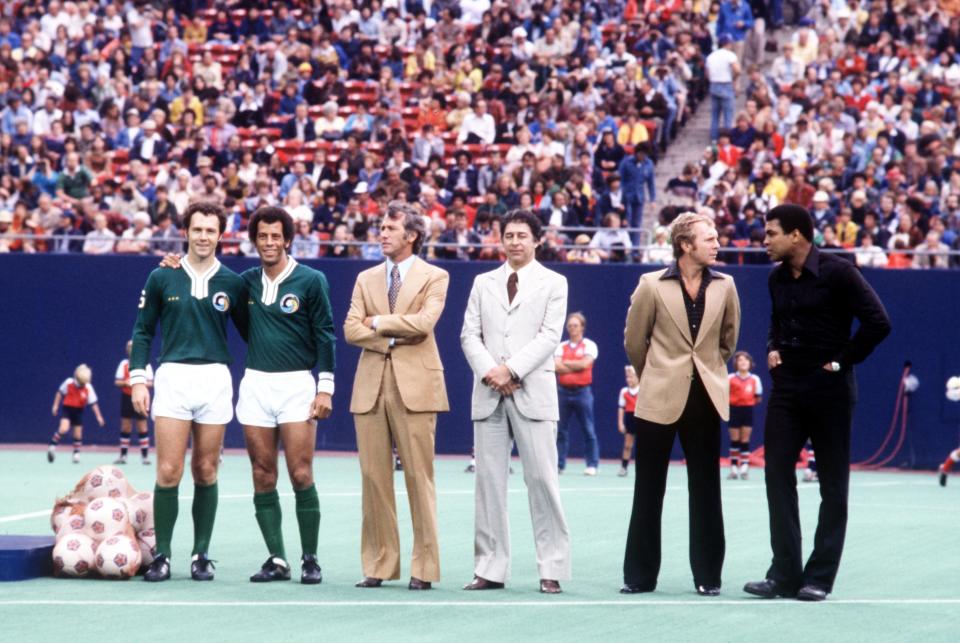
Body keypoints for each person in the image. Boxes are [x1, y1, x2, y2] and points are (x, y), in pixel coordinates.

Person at [744, 204, 890, 602]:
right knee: (776, 475)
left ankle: (819, 577)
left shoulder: (839, 272)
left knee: (832, 487)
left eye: (771, 232)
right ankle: (784, 574)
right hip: (787, 388)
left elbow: (879, 322)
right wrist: (772, 347)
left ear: (797, 235)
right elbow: (776, 322)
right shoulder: (776, 279)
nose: (765, 240)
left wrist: (841, 361)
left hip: (830, 389)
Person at [621, 212, 741, 596]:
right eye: (709, 238)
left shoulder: (726, 286)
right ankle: (640, 577)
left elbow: (728, 341)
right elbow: (634, 341)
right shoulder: (651, 284)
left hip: (705, 398)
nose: (717, 243)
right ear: (685, 245)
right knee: (648, 489)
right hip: (658, 397)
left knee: (707, 489)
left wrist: (706, 371)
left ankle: (708, 577)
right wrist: (656, 372)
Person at [129, 201, 247, 583]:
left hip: (214, 379)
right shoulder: (162, 276)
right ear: (186, 232)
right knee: (168, 470)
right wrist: (137, 379)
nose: (203, 236)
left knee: (206, 469)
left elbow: (253, 331)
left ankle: (201, 554)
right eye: (197, 229)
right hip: (173, 378)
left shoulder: (233, 281)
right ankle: (162, 554)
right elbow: (143, 330)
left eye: (210, 230)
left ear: (220, 235)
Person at [461, 209, 571, 595]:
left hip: (532, 392)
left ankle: (552, 568)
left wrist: (511, 370)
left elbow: (549, 336)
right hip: (489, 392)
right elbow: (468, 335)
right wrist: (493, 371)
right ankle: (490, 568)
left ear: (537, 240)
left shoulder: (554, 282)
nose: (515, 242)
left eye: (522, 235)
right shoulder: (482, 282)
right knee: (488, 484)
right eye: (509, 235)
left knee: (542, 480)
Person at [343, 201, 449, 591]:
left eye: (390, 228)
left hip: (417, 387)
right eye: (381, 227)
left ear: (412, 236)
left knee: (420, 479)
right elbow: (351, 329)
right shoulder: (364, 278)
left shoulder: (435, 276)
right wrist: (390, 333)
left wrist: (377, 324)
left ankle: (424, 568)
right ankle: (379, 564)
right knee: (373, 478)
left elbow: (425, 324)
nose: (382, 233)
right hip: (370, 386)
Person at [233, 207, 335, 585]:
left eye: (276, 236)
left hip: (297, 386)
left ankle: (310, 558)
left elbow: (325, 333)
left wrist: (326, 386)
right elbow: (208, 281)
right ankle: (277, 558)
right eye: (263, 236)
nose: (270, 242)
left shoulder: (311, 280)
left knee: (300, 472)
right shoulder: (244, 282)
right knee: (262, 473)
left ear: (288, 239)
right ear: (254, 240)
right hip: (256, 384)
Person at [554, 312, 600, 476]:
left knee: (588, 429)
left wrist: (566, 364)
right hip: (563, 392)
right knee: (560, 430)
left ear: (582, 327)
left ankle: (592, 464)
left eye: (575, 325)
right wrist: (577, 365)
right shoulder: (561, 346)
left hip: (582, 392)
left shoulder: (589, 345)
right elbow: (556, 367)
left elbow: (586, 363)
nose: (572, 328)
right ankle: (559, 464)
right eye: (570, 325)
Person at [47, 364, 105, 464]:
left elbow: (93, 403)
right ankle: (52, 446)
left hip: (78, 411)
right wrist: (55, 406)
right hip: (67, 409)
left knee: (78, 434)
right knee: (63, 429)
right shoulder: (68, 383)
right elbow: (59, 393)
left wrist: (99, 416)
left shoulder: (88, 387)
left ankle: (76, 454)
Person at [114, 340, 153, 465]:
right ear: (127, 350)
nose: (132, 349)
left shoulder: (146, 365)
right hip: (126, 398)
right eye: (130, 347)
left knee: (142, 426)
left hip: (141, 397)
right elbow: (117, 381)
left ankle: (145, 457)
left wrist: (138, 383)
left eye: (134, 347)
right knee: (126, 426)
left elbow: (151, 382)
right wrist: (125, 383)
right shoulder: (124, 364)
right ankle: (123, 456)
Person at [727, 351, 762, 480]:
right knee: (735, 440)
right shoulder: (730, 378)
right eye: (740, 360)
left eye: (745, 360)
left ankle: (745, 467)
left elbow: (758, 398)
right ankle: (734, 467)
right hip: (734, 410)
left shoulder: (755, 379)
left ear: (750, 363)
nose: (743, 363)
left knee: (745, 440)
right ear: (736, 363)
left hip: (747, 411)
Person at [705, 34, 740, 142]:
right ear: (728, 43)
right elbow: (738, 70)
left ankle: (714, 138)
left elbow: (707, 73)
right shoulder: (730, 55)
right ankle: (727, 138)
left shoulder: (711, 56)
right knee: (728, 115)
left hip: (714, 84)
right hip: (725, 83)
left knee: (715, 114)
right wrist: (733, 79)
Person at [617, 365, 641, 477]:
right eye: (627, 377)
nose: (629, 379)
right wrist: (621, 423)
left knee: (643, 446)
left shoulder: (642, 389)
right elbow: (621, 408)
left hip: (641, 419)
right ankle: (624, 467)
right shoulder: (624, 392)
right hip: (629, 419)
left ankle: (644, 468)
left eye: (631, 377)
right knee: (628, 445)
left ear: (638, 377)